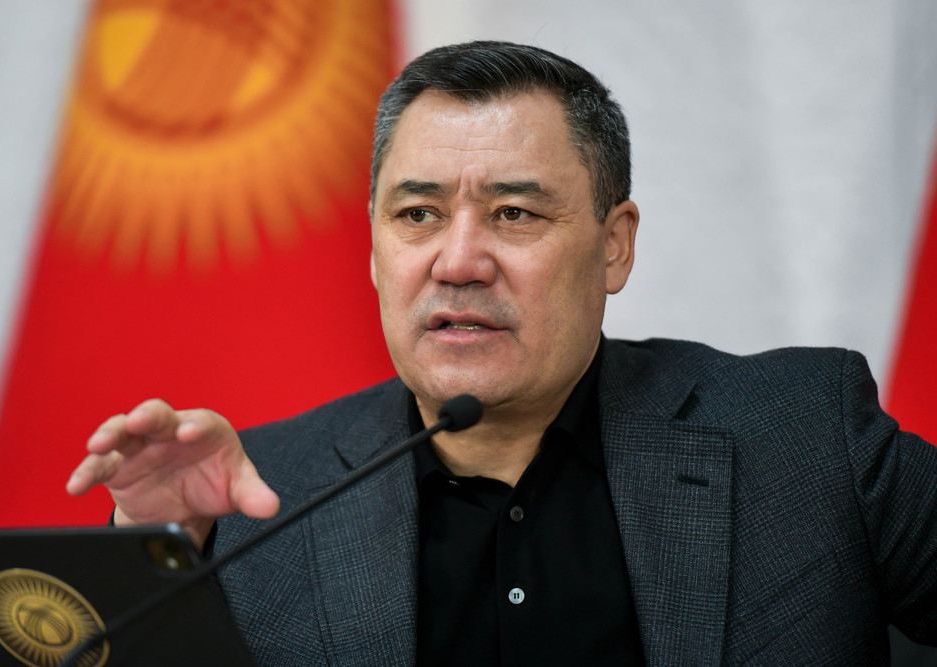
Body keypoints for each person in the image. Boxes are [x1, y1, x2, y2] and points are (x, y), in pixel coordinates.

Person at [66, 41, 937, 665]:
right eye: (417, 215)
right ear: (374, 251)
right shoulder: (254, 502)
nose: (458, 261)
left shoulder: (807, 439)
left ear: (614, 246)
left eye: (514, 213)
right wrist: (152, 563)